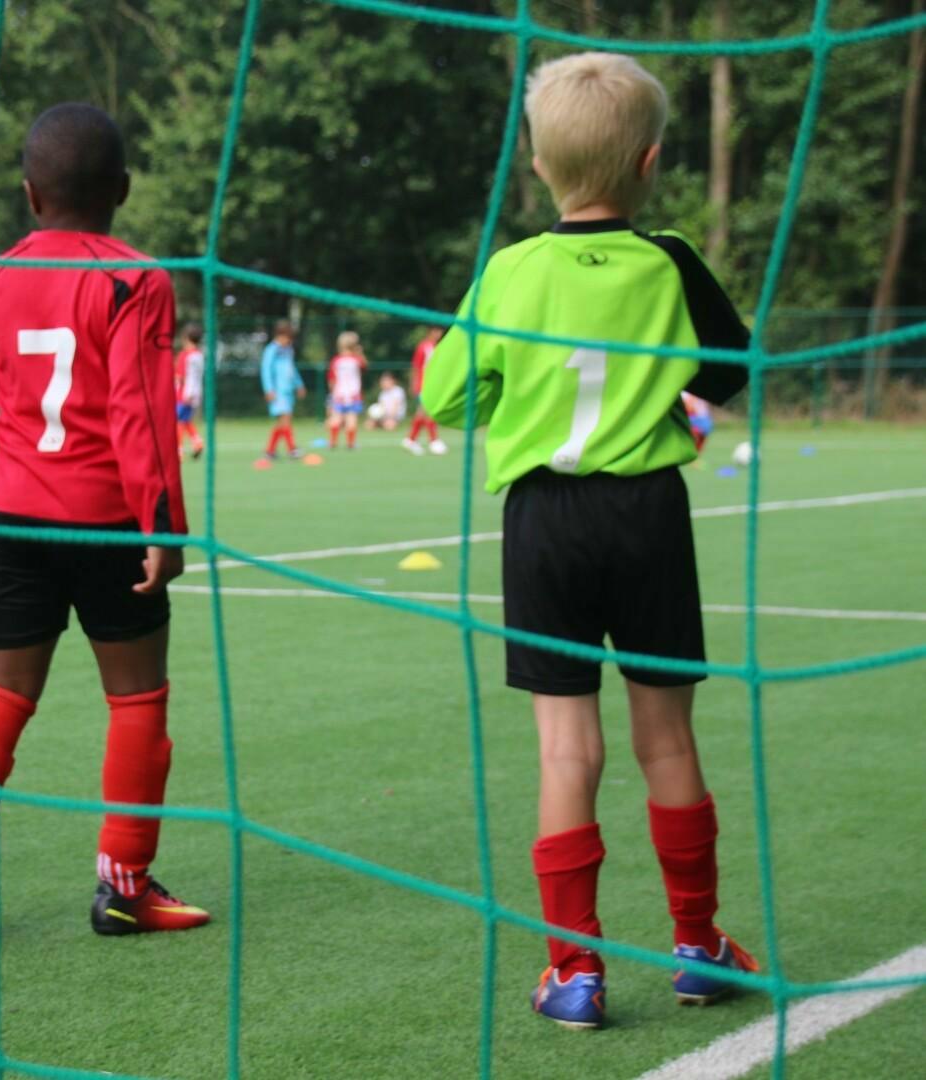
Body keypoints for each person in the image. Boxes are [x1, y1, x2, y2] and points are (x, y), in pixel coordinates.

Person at [420, 52, 756, 1030]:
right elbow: (730, 360)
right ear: (651, 162)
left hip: (544, 523)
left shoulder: (510, 270)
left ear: (536, 167)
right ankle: (697, 948)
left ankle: (575, 971)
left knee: (568, 753)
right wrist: (671, 395)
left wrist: (517, 391)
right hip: (648, 513)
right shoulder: (673, 261)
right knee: (667, 740)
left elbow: (448, 397)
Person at [0, 102, 210, 938]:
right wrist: (162, 524)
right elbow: (138, 411)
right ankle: (124, 886)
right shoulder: (136, 278)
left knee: (2, 695)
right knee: (138, 699)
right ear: (122, 189)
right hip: (108, 522)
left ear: (29, 193)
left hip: (8, 515)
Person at [260, 320, 306, 460]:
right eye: (288, 338)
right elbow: (266, 370)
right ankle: (292, 449)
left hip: (288, 391)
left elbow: (292, 369)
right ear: (280, 335)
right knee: (285, 419)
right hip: (277, 391)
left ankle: (270, 451)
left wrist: (299, 384)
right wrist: (269, 389)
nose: (290, 341)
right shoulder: (271, 350)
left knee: (282, 422)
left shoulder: (288, 350)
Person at [404, 327, 446, 455]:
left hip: (432, 385)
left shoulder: (438, 347)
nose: (439, 334)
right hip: (423, 385)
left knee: (422, 413)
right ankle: (434, 441)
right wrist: (414, 384)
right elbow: (416, 366)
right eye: (437, 331)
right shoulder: (424, 347)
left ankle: (411, 439)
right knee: (427, 412)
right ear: (431, 331)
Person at [325, 331, 369, 450]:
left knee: (336, 418)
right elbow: (365, 366)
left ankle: (332, 442)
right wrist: (360, 353)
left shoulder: (336, 360)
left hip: (339, 394)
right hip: (354, 394)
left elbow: (331, 379)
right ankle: (351, 443)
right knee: (351, 418)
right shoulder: (356, 359)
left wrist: (332, 393)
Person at [175, 322, 206, 460]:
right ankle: (197, 441)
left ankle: (178, 449)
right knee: (186, 420)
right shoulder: (199, 355)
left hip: (183, 394)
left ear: (185, 338)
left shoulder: (184, 355)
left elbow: (180, 377)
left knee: (177, 421)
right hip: (196, 393)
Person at [682, 391, 713, 456]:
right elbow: (689, 407)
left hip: (703, 418)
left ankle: (696, 455)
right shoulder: (684, 393)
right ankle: (692, 453)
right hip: (694, 418)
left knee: (702, 438)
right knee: (695, 438)